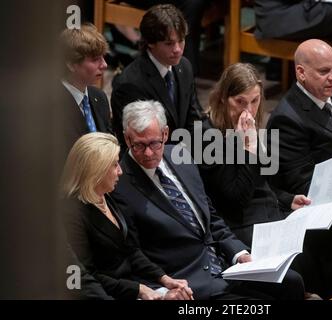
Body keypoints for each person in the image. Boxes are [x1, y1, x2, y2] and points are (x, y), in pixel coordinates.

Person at [112, 100, 305, 300]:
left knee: (292, 282)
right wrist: (160, 290)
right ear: (127, 139)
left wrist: (239, 254)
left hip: (226, 266)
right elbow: (132, 253)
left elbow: (211, 217)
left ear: (165, 134)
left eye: (154, 143)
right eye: (139, 145)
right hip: (188, 283)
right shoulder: (119, 184)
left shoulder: (180, 155)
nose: (149, 153)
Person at [266, 39, 332, 298]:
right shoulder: (287, 119)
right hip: (329, 205)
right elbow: (302, 183)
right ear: (301, 73)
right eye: (324, 71)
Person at [61, 132, 193, 300]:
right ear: (96, 170)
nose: (120, 171)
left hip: (134, 284)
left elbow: (130, 250)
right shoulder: (71, 214)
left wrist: (164, 279)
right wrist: (139, 289)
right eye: (115, 164)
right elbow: (87, 276)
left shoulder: (107, 196)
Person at [198, 62, 311, 246]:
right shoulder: (207, 137)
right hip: (242, 225)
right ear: (223, 98)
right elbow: (236, 199)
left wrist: (286, 199)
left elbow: (259, 182)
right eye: (240, 101)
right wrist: (248, 148)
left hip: (268, 211)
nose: (248, 111)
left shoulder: (248, 125)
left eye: (254, 101)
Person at [111, 4, 204, 151]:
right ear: (150, 43)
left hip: (183, 152)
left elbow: (194, 117)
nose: (178, 50)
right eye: (169, 43)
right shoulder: (130, 85)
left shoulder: (184, 66)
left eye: (181, 41)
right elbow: (141, 145)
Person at [58, 23, 113, 153]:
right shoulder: (52, 106)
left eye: (103, 57)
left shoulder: (99, 97)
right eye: (95, 60)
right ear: (71, 64)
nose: (104, 65)